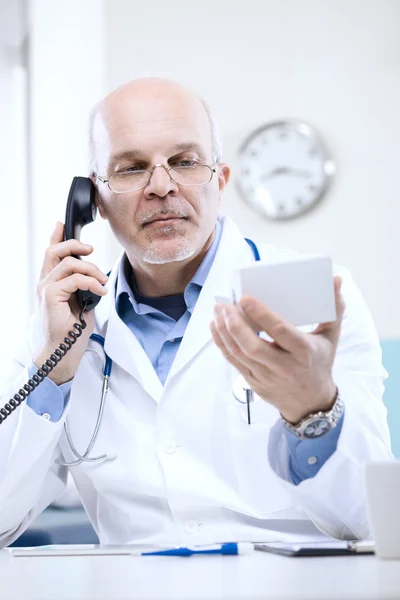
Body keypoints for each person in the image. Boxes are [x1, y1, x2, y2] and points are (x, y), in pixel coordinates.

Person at [0, 78, 393, 547]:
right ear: (93, 201)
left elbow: (371, 523)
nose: (162, 186)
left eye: (185, 162)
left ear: (220, 181)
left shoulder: (317, 299)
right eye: (131, 168)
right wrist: (54, 373)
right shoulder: (62, 329)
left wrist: (313, 410)